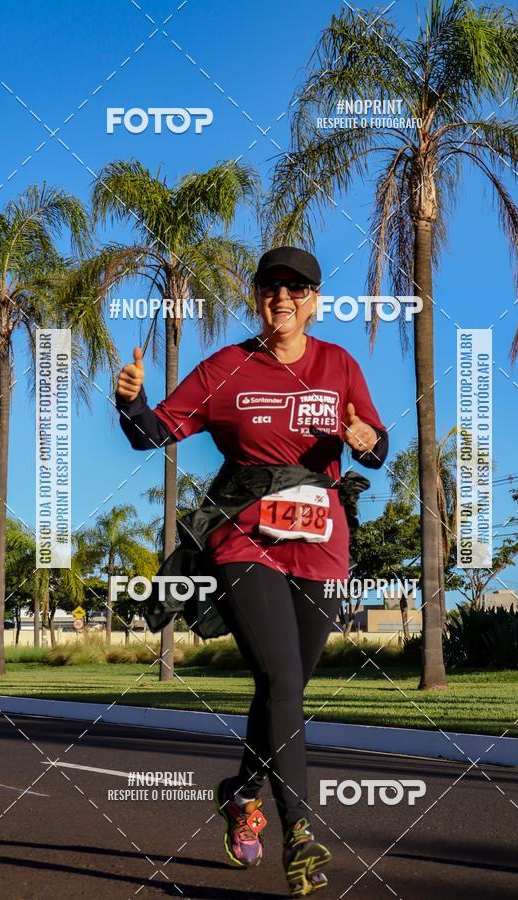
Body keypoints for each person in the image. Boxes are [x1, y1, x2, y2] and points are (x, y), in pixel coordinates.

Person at [115, 246, 388, 897]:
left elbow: (374, 445)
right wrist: (130, 402)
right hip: (243, 538)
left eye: (297, 289)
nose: (284, 299)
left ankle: (241, 792)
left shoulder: (338, 365)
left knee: (284, 692)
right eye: (272, 288)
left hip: (321, 541)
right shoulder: (226, 368)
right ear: (259, 298)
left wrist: (366, 442)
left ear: (315, 301)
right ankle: (300, 834)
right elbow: (155, 432)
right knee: (280, 675)